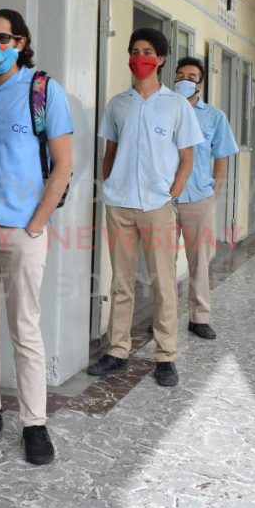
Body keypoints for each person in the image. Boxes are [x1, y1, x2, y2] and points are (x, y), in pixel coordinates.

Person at [0, 9, 73, 465]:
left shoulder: (42, 91)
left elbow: (63, 164)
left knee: (24, 328)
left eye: (2, 39)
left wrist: (37, 223)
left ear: (21, 42)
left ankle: (34, 423)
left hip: (24, 231)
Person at [88, 28, 203, 387]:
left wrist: (171, 195)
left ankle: (165, 355)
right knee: (122, 281)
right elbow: (109, 153)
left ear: (161, 59)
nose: (140, 56)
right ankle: (117, 350)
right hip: (119, 205)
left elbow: (187, 157)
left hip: (157, 206)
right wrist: (111, 185)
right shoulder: (117, 104)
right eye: (134, 50)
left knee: (162, 282)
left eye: (148, 51)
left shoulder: (176, 106)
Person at [172, 56, 239, 340]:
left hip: (199, 197)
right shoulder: (162, 111)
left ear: (200, 83)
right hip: (163, 199)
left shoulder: (214, 116)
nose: (185, 81)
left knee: (199, 259)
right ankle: (163, 317)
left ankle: (199, 317)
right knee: (161, 261)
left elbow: (222, 157)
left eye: (191, 77)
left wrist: (214, 194)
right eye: (180, 76)